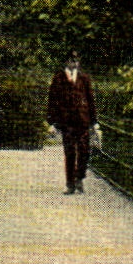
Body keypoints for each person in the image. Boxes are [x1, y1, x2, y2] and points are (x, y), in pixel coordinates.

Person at [46, 52, 96, 194]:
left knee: (84, 150)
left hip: (82, 121)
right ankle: (70, 184)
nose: (74, 64)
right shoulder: (59, 78)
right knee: (69, 153)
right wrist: (51, 122)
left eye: (76, 61)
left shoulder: (84, 78)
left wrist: (94, 121)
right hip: (66, 121)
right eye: (71, 61)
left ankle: (79, 176)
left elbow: (90, 100)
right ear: (66, 62)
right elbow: (52, 100)